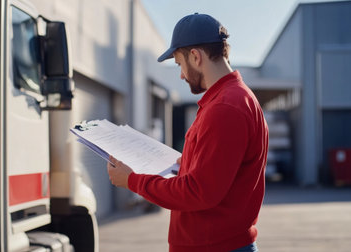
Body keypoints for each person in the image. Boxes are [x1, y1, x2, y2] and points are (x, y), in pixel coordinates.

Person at [107, 13, 268, 252]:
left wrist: (133, 180)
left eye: (179, 63)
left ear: (195, 56)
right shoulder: (230, 100)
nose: (181, 74)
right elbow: (216, 177)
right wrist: (188, 164)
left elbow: (198, 192)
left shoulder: (226, 107)